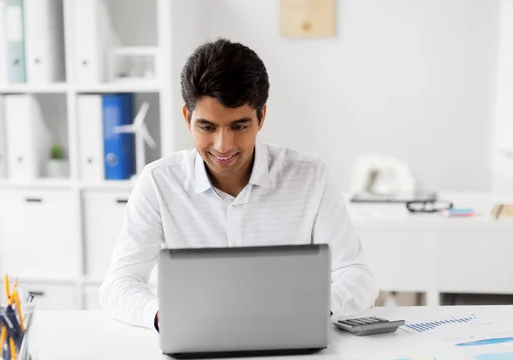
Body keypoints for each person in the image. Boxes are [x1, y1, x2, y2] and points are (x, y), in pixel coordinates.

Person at [100, 38, 378, 331]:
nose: (223, 145)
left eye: (239, 126)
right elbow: (119, 283)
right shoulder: (158, 182)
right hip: (193, 346)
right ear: (187, 117)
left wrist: (311, 311)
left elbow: (356, 275)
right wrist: (161, 315)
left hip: (290, 347)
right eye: (207, 127)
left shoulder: (310, 177)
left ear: (262, 117)